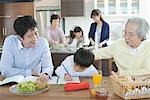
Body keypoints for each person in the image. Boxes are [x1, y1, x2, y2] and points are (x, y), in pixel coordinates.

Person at [0, 15, 54, 82]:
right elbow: (5, 70)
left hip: (36, 81)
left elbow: (48, 66)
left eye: (36, 33)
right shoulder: (10, 42)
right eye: (30, 36)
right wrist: (29, 72)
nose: (35, 39)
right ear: (20, 38)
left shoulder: (43, 43)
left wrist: (46, 74)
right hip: (13, 82)